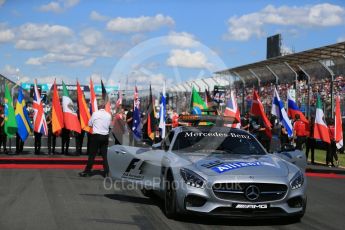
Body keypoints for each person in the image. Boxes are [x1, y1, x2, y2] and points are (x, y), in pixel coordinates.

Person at [79, 101, 112, 177]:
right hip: (105, 136)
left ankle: (87, 171)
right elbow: (109, 125)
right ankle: (107, 172)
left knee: (92, 155)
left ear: (99, 106)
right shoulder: (108, 115)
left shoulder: (95, 114)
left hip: (96, 136)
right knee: (104, 155)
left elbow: (89, 124)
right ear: (104, 107)